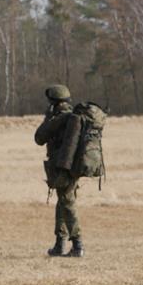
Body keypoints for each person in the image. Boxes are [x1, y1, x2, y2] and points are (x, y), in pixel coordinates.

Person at [34, 83, 84, 258]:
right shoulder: (73, 116)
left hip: (62, 167)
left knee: (67, 203)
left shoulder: (60, 118)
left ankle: (77, 245)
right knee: (63, 202)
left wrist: (47, 118)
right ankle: (59, 244)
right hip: (72, 167)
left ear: (54, 101)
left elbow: (39, 137)